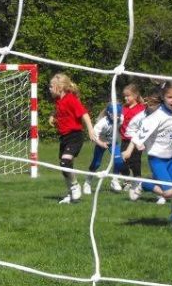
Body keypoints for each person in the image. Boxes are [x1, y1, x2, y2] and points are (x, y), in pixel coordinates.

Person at [126, 81, 172, 227]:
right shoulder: (156, 116)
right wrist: (128, 150)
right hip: (157, 159)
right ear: (163, 97)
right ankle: (145, 183)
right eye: (170, 97)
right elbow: (140, 134)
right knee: (169, 193)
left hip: (171, 159)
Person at [49, 73, 95, 204]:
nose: (50, 89)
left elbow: (84, 114)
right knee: (65, 167)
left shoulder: (71, 99)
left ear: (60, 87)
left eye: (52, 86)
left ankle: (75, 186)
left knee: (65, 162)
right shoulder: (58, 100)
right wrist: (53, 115)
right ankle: (70, 194)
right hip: (64, 137)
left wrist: (91, 129)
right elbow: (59, 109)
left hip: (74, 136)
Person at [83, 103, 125, 194]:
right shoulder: (102, 123)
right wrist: (101, 143)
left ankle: (115, 180)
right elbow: (93, 137)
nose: (117, 117)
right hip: (101, 142)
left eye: (118, 114)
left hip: (113, 143)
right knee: (96, 163)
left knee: (119, 161)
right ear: (109, 113)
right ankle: (88, 182)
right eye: (114, 115)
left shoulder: (121, 119)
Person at [117, 84, 147, 192]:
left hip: (136, 140)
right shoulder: (122, 108)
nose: (126, 98)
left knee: (135, 161)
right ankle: (127, 181)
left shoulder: (141, 108)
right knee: (122, 160)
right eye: (124, 96)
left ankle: (137, 181)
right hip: (125, 139)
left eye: (128, 96)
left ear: (135, 95)